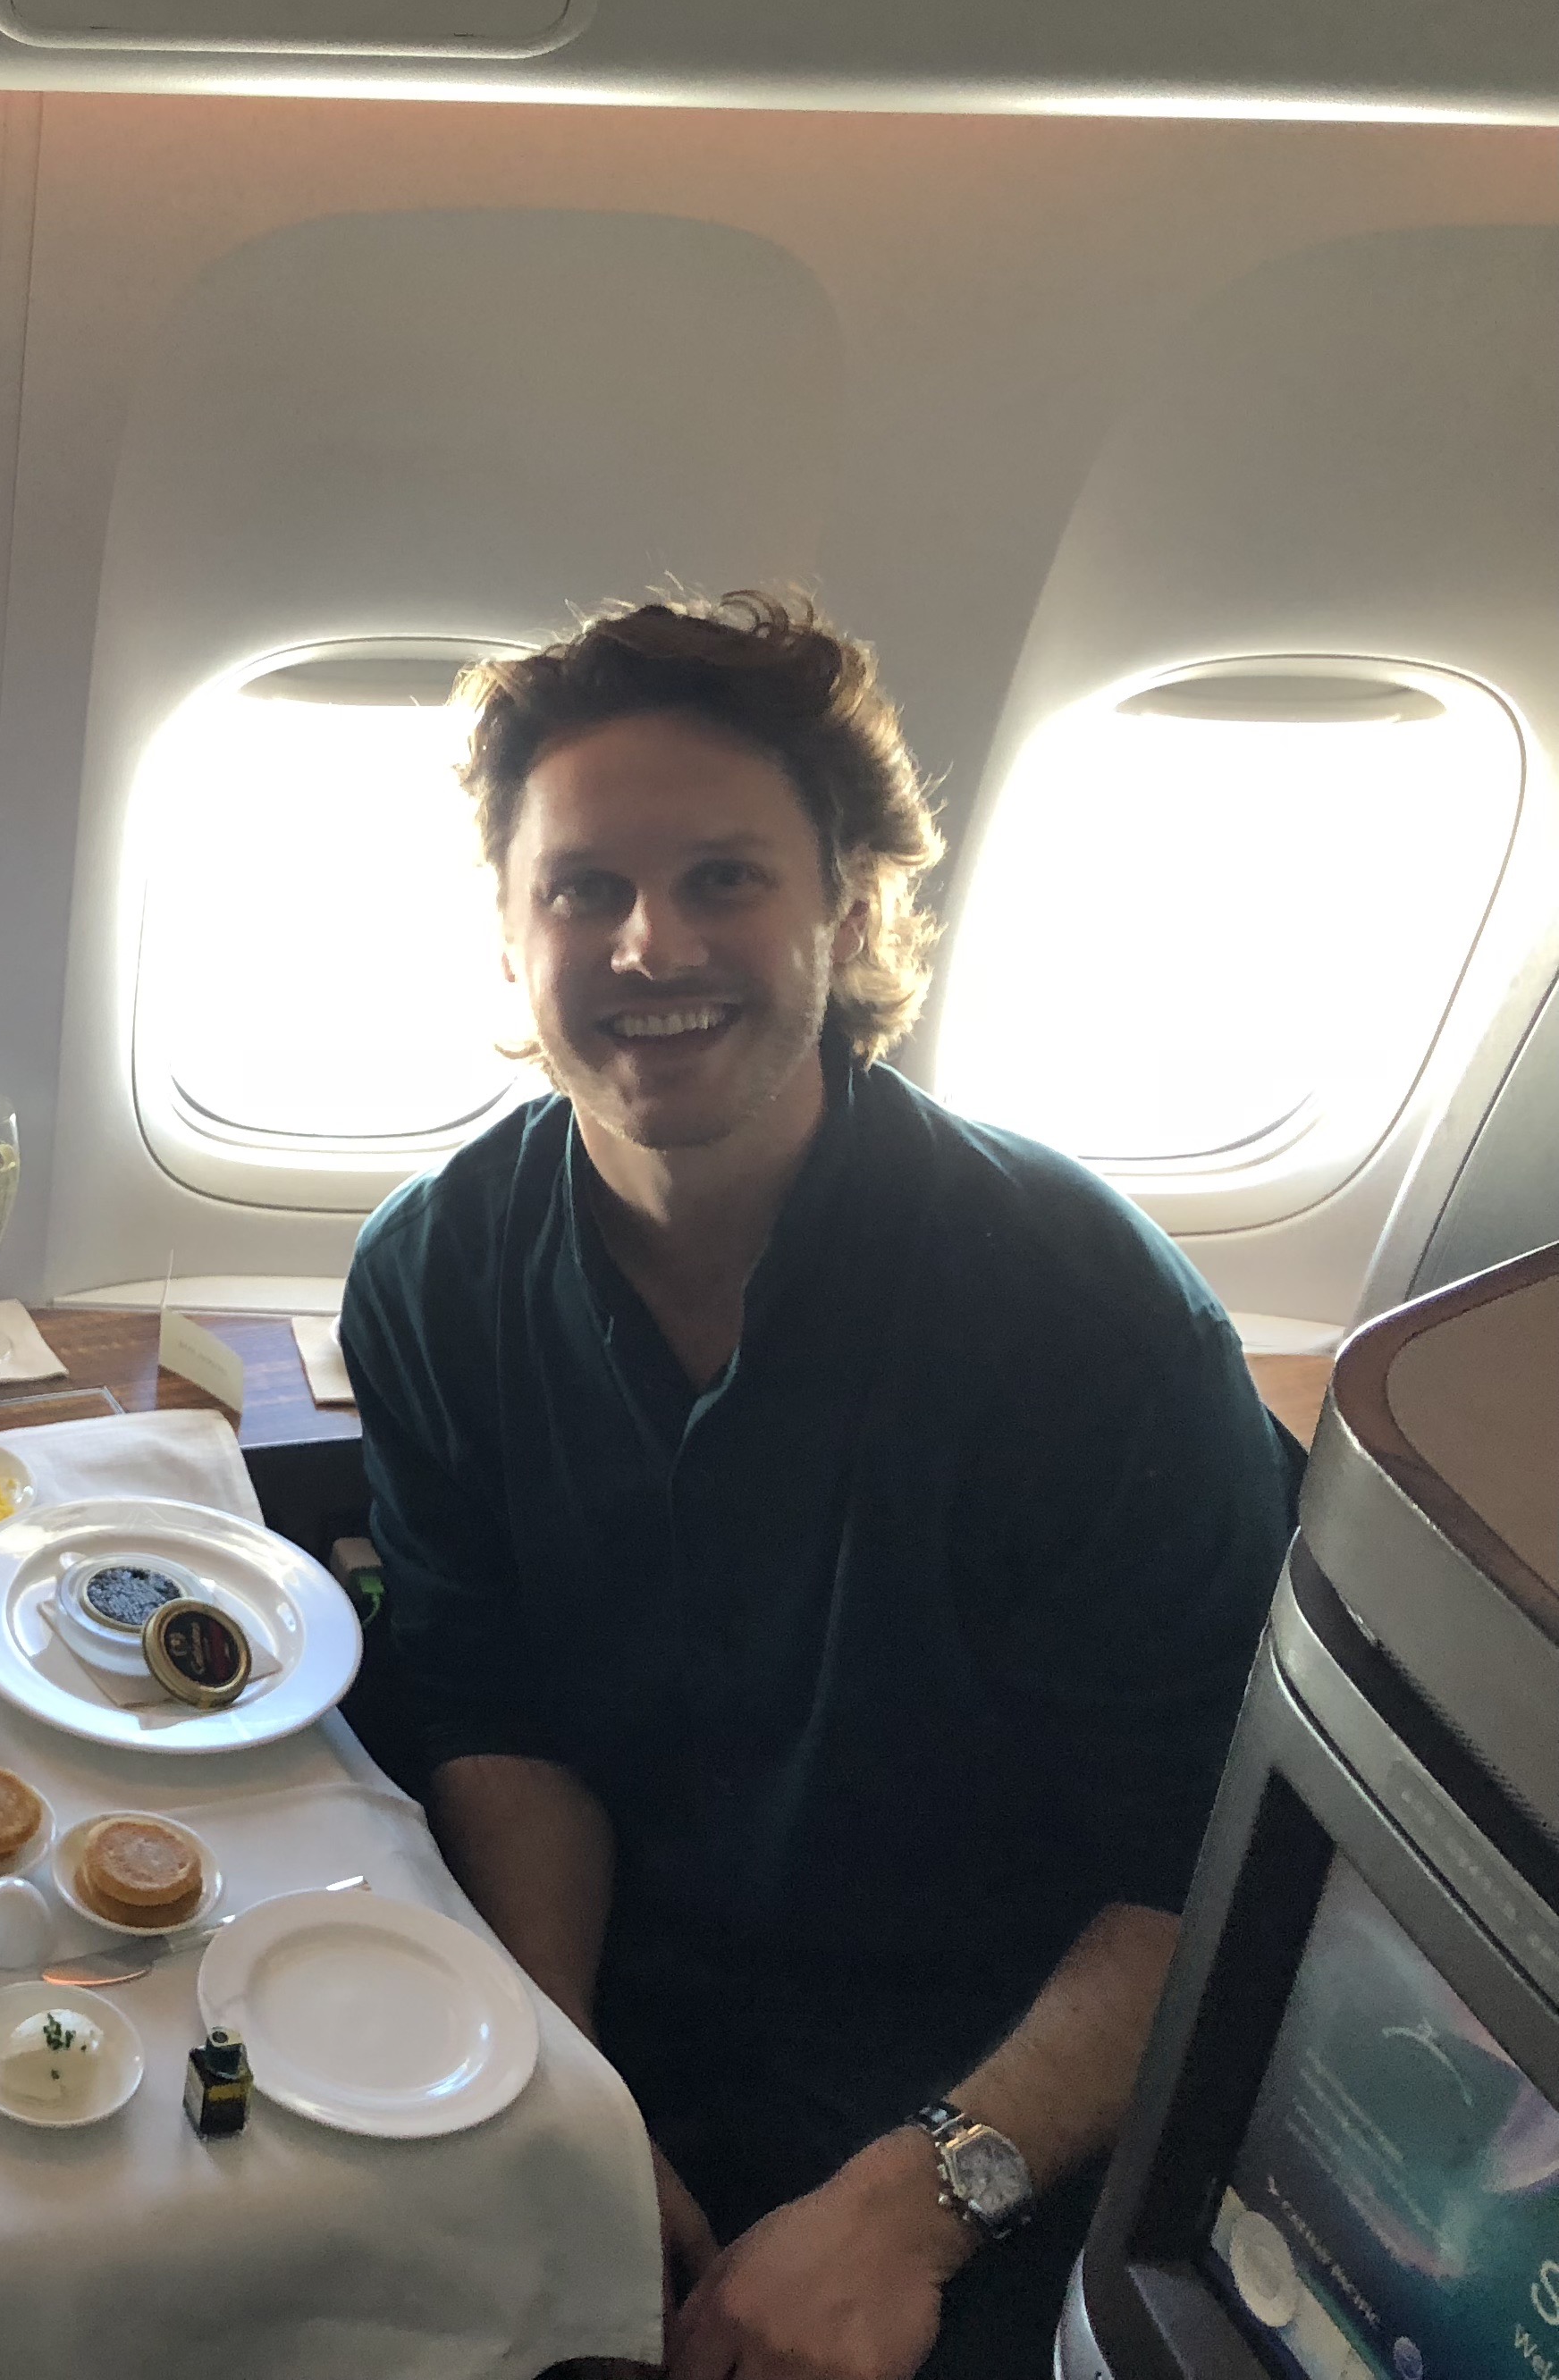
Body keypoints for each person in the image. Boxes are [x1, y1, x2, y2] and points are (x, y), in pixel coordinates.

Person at [338, 596, 1298, 2380]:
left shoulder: (1086, 1317)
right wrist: (566, 2087)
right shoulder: (433, 1274)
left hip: (1001, 2091)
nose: (650, 944)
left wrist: (908, 2209)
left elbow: (1206, 1867)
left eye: (723, 879)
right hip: (624, 2008)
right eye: (582, 889)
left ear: (845, 908)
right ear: (508, 932)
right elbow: (497, 1713)